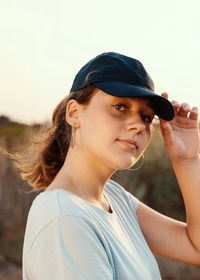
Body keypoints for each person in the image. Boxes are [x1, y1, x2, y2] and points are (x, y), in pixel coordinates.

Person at [21, 52, 200, 279]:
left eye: (146, 116)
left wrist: (188, 160)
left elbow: (196, 248)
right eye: (120, 107)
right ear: (74, 113)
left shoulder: (113, 198)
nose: (138, 125)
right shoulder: (66, 220)